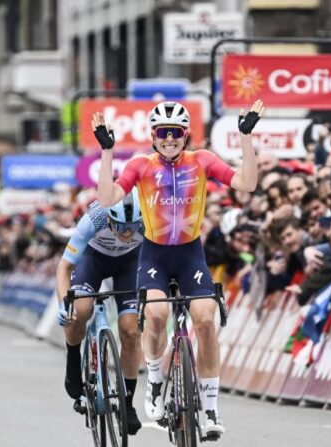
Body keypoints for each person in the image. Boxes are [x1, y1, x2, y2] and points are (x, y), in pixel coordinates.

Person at [93, 99, 264, 438]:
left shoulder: (202, 160)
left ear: (186, 134)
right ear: (153, 135)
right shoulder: (141, 164)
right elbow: (108, 197)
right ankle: (155, 381)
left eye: (176, 132)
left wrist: (246, 138)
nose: (169, 138)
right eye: (162, 132)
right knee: (155, 316)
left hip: (190, 255)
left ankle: (211, 408)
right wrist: (107, 152)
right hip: (154, 255)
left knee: (204, 320)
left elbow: (247, 184)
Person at [56, 191, 145, 435]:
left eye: (132, 228)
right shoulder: (93, 219)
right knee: (80, 308)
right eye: (120, 227)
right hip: (93, 260)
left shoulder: (148, 217)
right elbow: (64, 268)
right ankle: (73, 354)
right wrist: (64, 304)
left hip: (130, 263)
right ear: (108, 219)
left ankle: (127, 403)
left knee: (130, 330)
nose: (127, 234)